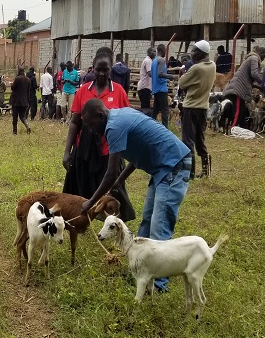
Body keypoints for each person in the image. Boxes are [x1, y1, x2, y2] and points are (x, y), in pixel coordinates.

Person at [80, 99, 193, 292]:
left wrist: (91, 202)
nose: (91, 130)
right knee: (147, 220)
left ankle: (159, 285)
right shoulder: (120, 116)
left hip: (174, 164)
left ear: (100, 116)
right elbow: (138, 152)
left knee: (160, 225)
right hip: (161, 169)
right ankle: (141, 269)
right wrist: (119, 181)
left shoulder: (113, 127)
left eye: (91, 125)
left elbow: (110, 172)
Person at [63, 47, 135, 221]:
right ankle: (77, 220)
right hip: (83, 149)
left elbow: (126, 121)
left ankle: (114, 222)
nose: (102, 73)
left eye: (106, 70)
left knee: (112, 187)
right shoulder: (83, 91)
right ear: (93, 68)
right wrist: (67, 152)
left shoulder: (118, 91)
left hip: (108, 149)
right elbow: (75, 122)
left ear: (111, 69)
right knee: (78, 189)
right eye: (98, 69)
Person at [178, 41, 216, 178]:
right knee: (200, 139)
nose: (192, 53)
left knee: (188, 141)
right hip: (203, 107)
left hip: (190, 107)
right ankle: (206, 171)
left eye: (194, 51)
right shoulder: (212, 66)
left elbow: (182, 83)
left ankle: (190, 172)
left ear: (201, 53)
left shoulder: (196, 68)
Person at [224, 46, 265, 129]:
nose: (263, 59)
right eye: (264, 56)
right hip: (238, 89)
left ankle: (243, 129)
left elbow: (248, 79)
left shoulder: (250, 58)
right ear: (260, 53)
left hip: (238, 88)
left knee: (242, 110)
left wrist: (258, 87)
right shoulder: (254, 58)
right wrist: (263, 83)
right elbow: (254, 74)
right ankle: (234, 128)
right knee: (238, 110)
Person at [151, 44, 176, 128]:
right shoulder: (161, 60)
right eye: (165, 51)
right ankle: (165, 128)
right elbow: (160, 73)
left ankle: (151, 127)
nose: (166, 53)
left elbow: (154, 74)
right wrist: (171, 76)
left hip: (155, 88)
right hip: (161, 89)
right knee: (165, 110)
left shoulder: (154, 61)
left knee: (155, 110)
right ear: (162, 51)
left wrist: (166, 79)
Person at [10, 68, 31, 134]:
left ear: (19, 72)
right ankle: (27, 126)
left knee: (15, 117)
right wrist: (28, 101)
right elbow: (28, 92)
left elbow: (13, 88)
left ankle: (14, 131)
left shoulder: (17, 79)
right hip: (24, 102)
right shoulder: (28, 80)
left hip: (16, 101)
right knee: (22, 116)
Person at [138, 47, 155, 112]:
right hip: (145, 88)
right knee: (146, 109)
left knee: (144, 107)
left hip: (144, 88)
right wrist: (159, 78)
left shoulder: (148, 60)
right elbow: (150, 73)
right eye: (153, 51)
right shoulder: (148, 61)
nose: (155, 53)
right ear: (149, 52)